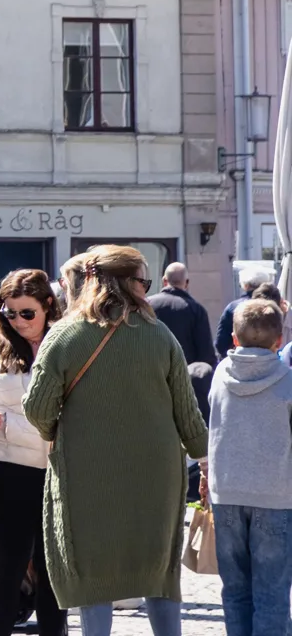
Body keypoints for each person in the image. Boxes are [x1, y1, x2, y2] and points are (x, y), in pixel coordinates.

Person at [23, 246, 206, 636]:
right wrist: (204, 459)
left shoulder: (66, 336)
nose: (146, 289)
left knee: (94, 573)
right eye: (143, 281)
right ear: (127, 283)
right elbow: (188, 415)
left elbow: (37, 407)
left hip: (88, 469)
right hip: (156, 473)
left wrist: (60, 431)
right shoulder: (160, 336)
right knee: (159, 570)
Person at [0, 270, 66, 636]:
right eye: (10, 313)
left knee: (51, 567)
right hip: (7, 466)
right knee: (8, 566)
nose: (18, 322)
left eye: (27, 313)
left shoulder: (65, 339)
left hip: (57, 468)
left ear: (48, 305)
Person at [204, 299, 292, 636]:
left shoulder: (220, 376)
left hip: (226, 491)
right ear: (279, 340)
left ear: (235, 340)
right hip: (276, 495)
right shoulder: (287, 381)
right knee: (272, 593)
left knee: (235, 591)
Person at [149, 263, 216, 369]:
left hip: (152, 372)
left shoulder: (146, 305)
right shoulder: (196, 310)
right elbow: (205, 353)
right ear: (187, 283)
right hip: (185, 375)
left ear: (164, 281)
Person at [219, 268, 278, 357]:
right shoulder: (274, 308)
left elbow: (221, 343)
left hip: (238, 362)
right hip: (270, 361)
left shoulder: (232, 307)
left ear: (245, 285)